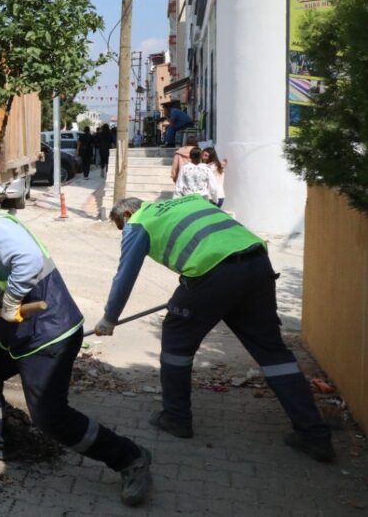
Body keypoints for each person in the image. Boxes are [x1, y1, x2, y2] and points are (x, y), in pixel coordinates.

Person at [0, 177, 152, 506]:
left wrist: (9, 302)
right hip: (18, 333)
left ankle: (130, 458)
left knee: (51, 418)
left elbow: (29, 261)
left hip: (49, 331)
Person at [96, 196, 335, 462]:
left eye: (120, 225)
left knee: (176, 341)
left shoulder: (138, 222)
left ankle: (176, 418)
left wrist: (110, 318)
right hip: (256, 264)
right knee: (273, 352)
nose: (123, 231)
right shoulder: (189, 200)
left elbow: (125, 274)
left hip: (212, 273)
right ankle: (314, 435)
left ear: (127, 213)